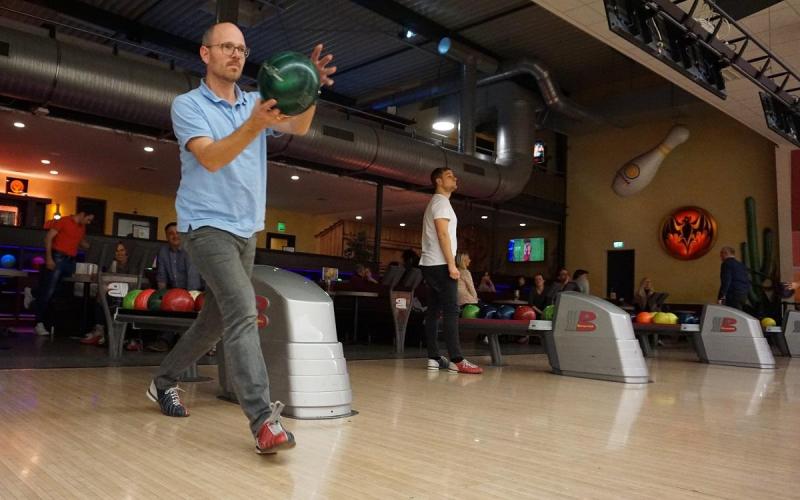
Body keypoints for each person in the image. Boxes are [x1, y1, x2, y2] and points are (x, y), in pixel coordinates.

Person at [146, 22, 336, 455]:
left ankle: (163, 380)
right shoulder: (188, 105)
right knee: (243, 310)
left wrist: (309, 91)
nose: (236, 54)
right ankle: (264, 421)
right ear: (205, 53)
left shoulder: (256, 102)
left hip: (246, 229)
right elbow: (211, 158)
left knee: (214, 321)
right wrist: (253, 125)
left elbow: (300, 128)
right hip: (205, 227)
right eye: (226, 47)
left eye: (242, 49)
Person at [420, 167, 482, 374]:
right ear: (438, 180)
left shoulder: (437, 203)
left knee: (433, 311)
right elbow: (442, 234)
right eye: (449, 176)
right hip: (439, 264)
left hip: (430, 264)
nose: (455, 178)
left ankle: (434, 357)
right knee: (450, 310)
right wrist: (452, 264)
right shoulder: (441, 203)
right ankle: (457, 359)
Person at [24, 211, 94, 336]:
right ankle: (38, 322)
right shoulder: (64, 221)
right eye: (88, 219)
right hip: (58, 257)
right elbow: (48, 238)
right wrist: (49, 258)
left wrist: (86, 245)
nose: (89, 222)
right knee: (49, 291)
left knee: (58, 291)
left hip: (70, 261)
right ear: (82, 214)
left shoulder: (81, 227)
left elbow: (78, 240)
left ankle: (33, 292)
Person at [147, 222, 204, 353]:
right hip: (175, 291)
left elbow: (193, 278)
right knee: (165, 303)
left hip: (197, 291)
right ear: (166, 237)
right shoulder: (163, 251)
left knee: (179, 304)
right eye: (171, 234)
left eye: (177, 232)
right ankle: (165, 341)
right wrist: (161, 297)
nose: (174, 236)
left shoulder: (190, 250)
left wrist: (187, 298)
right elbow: (161, 277)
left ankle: (184, 341)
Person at [81, 241, 131, 345]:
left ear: (127, 252)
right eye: (116, 251)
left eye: (122, 250)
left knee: (106, 293)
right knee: (102, 291)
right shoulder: (112, 264)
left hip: (129, 294)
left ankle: (102, 332)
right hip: (113, 294)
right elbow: (107, 278)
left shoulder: (133, 265)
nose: (119, 253)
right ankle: (100, 331)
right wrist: (99, 275)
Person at [717, 246, 750, 310]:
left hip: (732, 295)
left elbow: (726, 281)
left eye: (721, 253)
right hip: (743, 295)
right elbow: (747, 280)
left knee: (730, 316)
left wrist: (721, 297)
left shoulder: (726, 263)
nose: (720, 255)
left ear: (726, 253)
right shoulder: (740, 264)